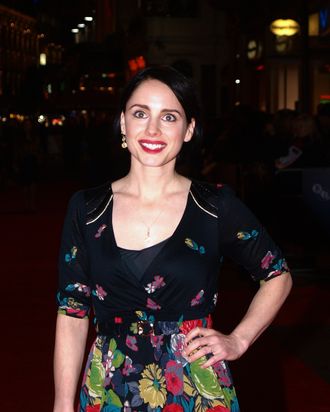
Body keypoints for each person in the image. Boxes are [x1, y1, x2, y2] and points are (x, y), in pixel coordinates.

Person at [53, 66, 292, 412]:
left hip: (195, 385)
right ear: (123, 123)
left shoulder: (215, 206)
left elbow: (277, 275)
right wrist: (62, 403)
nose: (152, 129)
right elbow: (72, 312)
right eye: (140, 114)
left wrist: (239, 339)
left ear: (189, 129)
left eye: (168, 117)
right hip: (110, 389)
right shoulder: (86, 208)